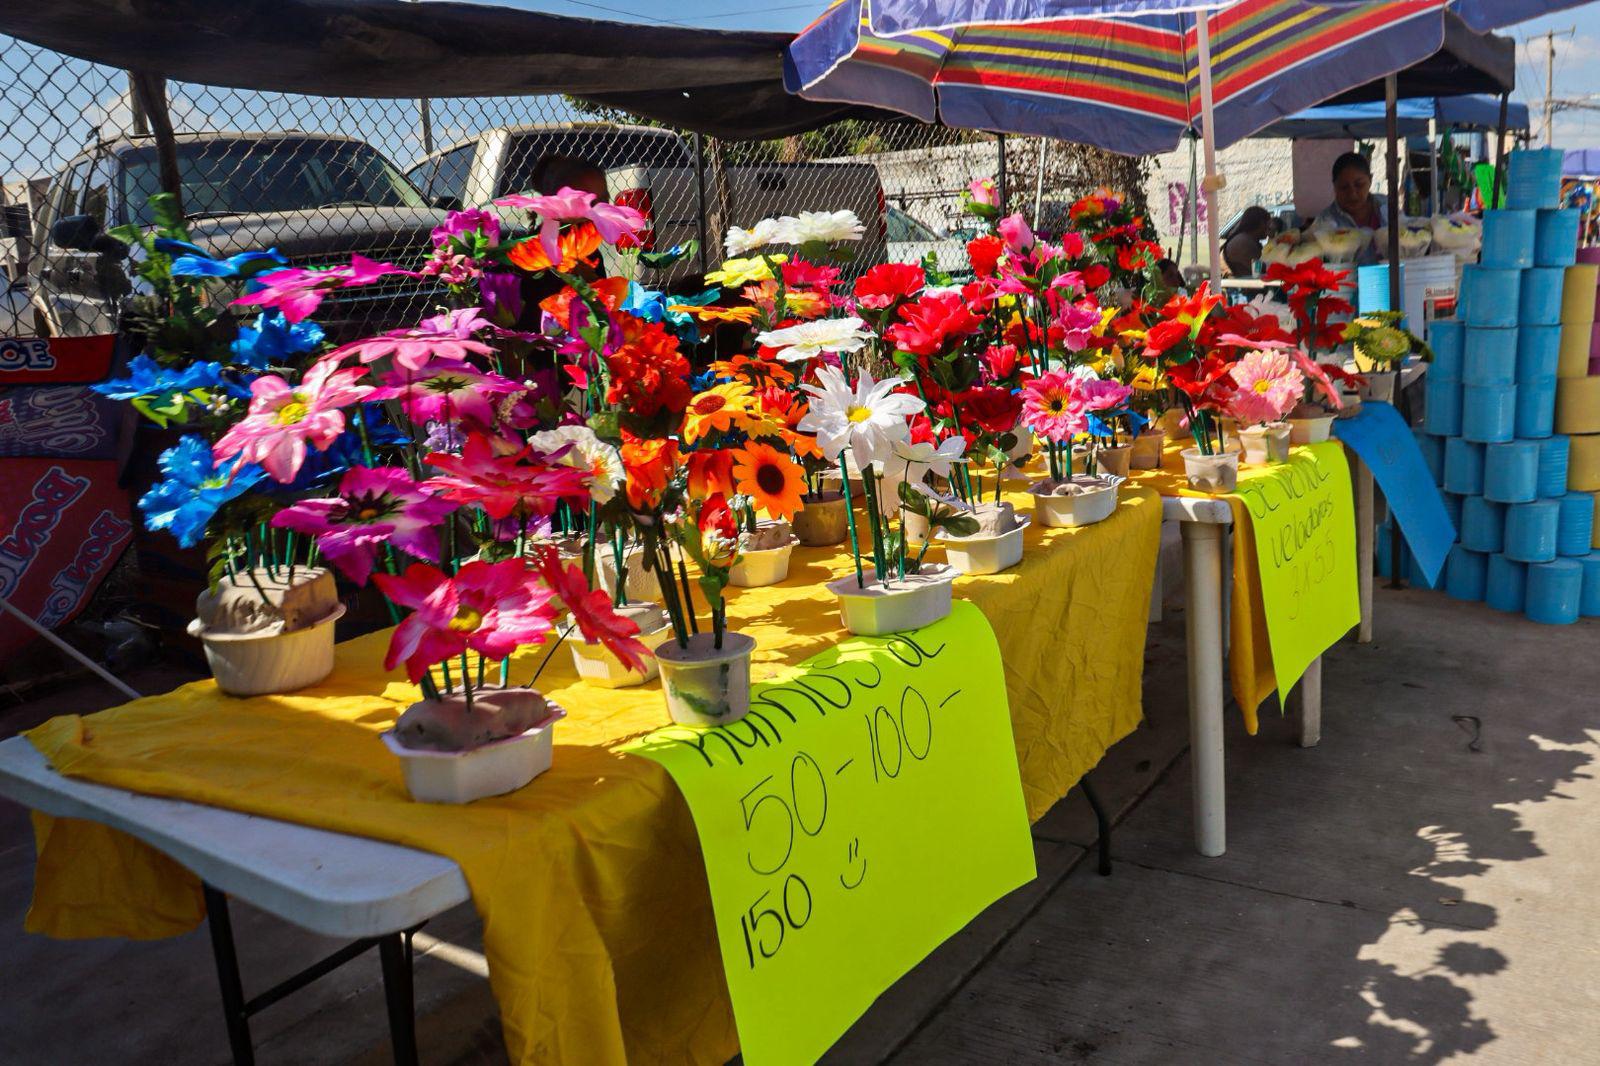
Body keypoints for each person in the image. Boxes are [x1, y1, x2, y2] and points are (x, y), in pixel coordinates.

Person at [1316, 151, 1389, 264]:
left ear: (1370, 180)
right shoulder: (1325, 221)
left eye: (1359, 185)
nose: (1352, 194)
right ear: (1334, 186)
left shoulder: (1386, 206)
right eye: (1344, 187)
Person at [1221, 205, 1273, 277]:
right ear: (1261, 223)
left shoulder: (1245, 239)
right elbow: (1258, 271)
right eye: (1268, 225)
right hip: (1246, 285)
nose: (1269, 229)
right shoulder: (1244, 243)